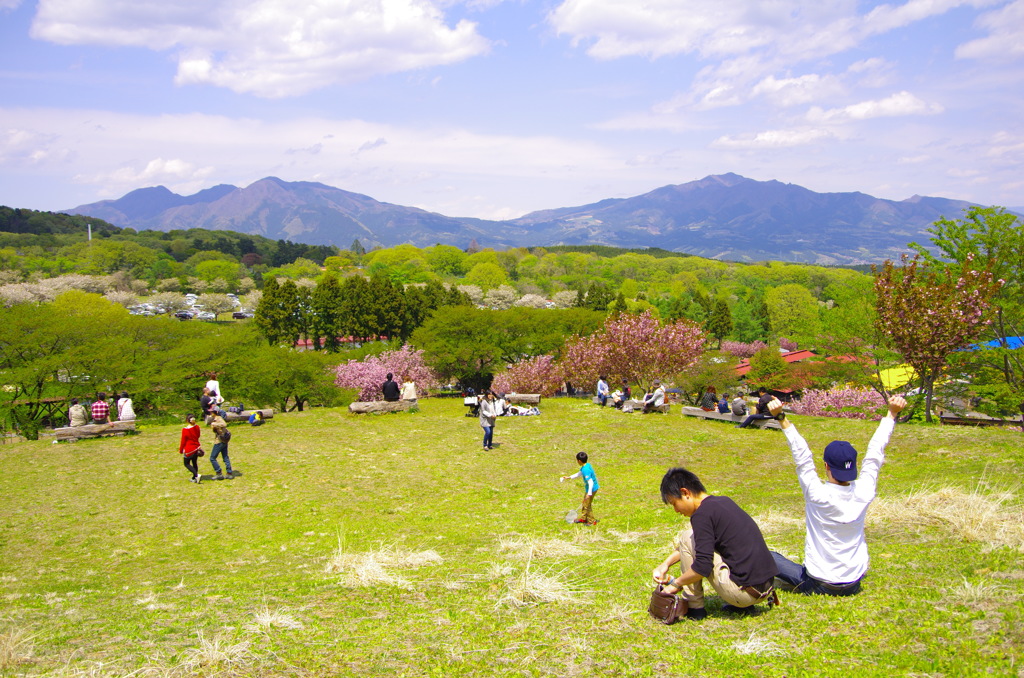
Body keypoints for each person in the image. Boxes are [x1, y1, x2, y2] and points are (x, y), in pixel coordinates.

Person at [767, 395, 907, 596]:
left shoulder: (817, 494)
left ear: (826, 466)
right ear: (855, 466)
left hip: (818, 583)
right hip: (853, 583)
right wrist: (891, 414)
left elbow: (802, 456)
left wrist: (781, 417)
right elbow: (875, 453)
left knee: (769, 556)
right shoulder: (864, 490)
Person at [652, 467, 779, 619]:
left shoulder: (701, 515)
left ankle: (695, 608)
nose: (676, 510)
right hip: (765, 588)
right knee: (691, 537)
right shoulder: (723, 502)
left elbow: (702, 566)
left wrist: (675, 584)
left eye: (674, 503)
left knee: (687, 537)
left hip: (745, 594)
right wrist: (666, 564)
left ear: (685, 493)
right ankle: (740, 601)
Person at [560, 451, 599, 525]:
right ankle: (583, 519)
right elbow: (579, 473)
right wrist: (569, 477)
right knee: (585, 503)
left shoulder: (586, 470)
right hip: (591, 488)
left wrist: (589, 493)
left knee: (587, 505)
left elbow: (590, 482)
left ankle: (591, 521)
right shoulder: (586, 466)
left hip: (592, 489)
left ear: (579, 461)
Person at [208, 413, 234, 480]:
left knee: (212, 458)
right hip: (224, 441)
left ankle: (219, 473)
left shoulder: (218, 418)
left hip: (219, 441)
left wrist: (214, 424)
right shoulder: (215, 419)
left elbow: (224, 424)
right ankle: (229, 473)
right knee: (225, 457)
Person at [179, 414, 203, 483]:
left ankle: (196, 475)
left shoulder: (185, 430)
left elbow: (183, 441)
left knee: (186, 463)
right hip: (196, 447)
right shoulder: (197, 427)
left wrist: (181, 450)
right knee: (194, 463)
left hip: (189, 449)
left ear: (187, 420)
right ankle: (194, 478)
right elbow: (198, 435)